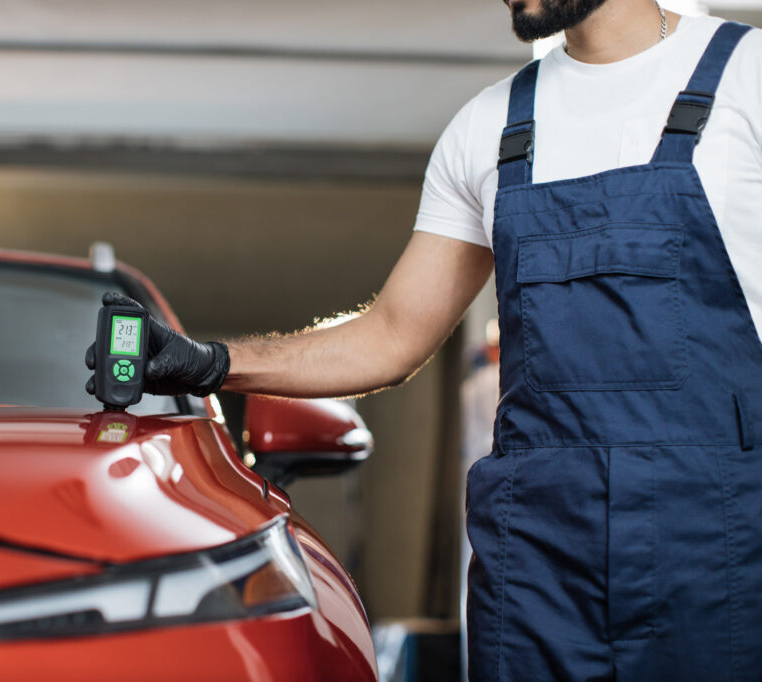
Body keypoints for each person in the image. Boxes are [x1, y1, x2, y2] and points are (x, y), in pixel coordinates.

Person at [88, 1, 762, 679]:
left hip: (715, 543)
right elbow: (391, 335)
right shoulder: (490, 126)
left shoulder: (747, 77)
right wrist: (207, 363)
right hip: (539, 555)